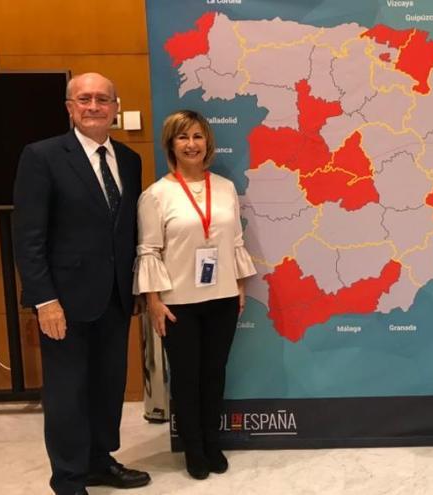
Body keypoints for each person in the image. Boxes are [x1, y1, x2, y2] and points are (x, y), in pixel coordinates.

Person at [13, 72, 151, 495]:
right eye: (84, 99)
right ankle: (69, 478)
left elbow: (127, 231)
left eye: (103, 100)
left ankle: (98, 461)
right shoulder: (42, 156)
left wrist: (138, 289)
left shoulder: (129, 159)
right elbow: (29, 235)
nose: (94, 106)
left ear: (114, 106)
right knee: (67, 392)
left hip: (113, 296)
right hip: (63, 302)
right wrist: (44, 300)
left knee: (107, 386)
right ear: (69, 107)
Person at [134, 109, 256, 480]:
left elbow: (234, 241)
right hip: (177, 304)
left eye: (198, 136)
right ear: (171, 144)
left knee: (214, 375)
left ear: (208, 143)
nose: (191, 144)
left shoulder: (224, 188)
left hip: (220, 299)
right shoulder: (156, 195)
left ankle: (211, 441)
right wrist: (154, 301)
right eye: (183, 137)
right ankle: (193, 449)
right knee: (186, 378)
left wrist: (238, 286)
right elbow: (149, 251)